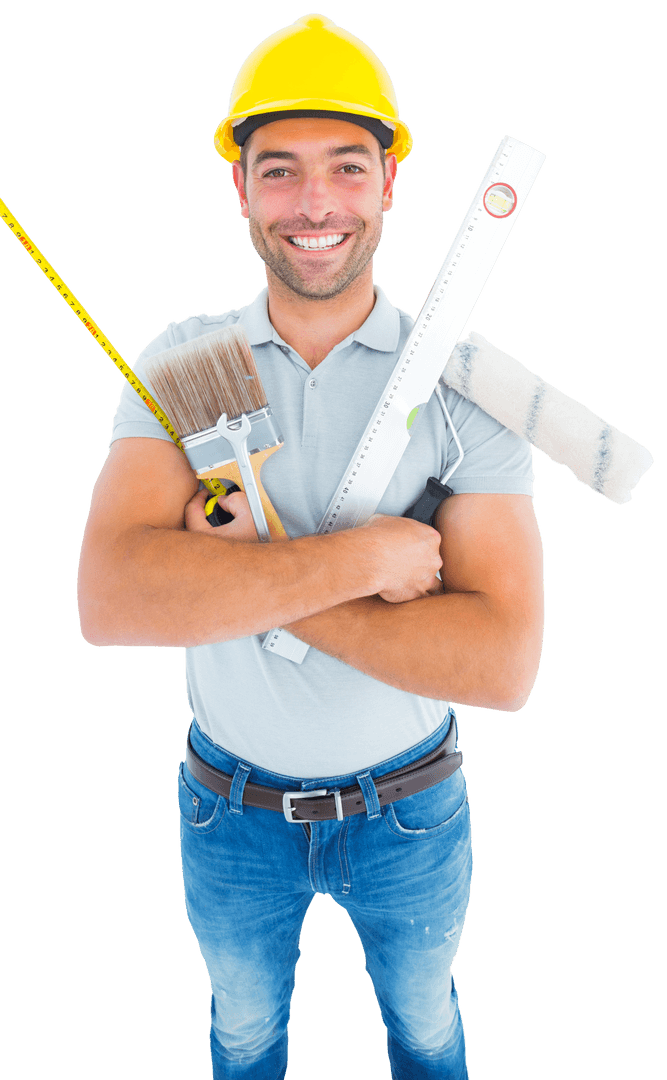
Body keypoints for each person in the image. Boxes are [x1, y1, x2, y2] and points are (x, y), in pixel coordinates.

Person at [77, 14, 544, 1080]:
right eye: (279, 170)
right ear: (240, 191)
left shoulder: (467, 387)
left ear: (388, 184)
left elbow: (499, 665)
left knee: (425, 1031)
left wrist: (229, 579)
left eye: (346, 166)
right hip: (227, 810)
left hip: (410, 811)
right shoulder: (184, 363)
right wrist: (365, 562)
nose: (314, 202)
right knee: (243, 1035)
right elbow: (112, 601)